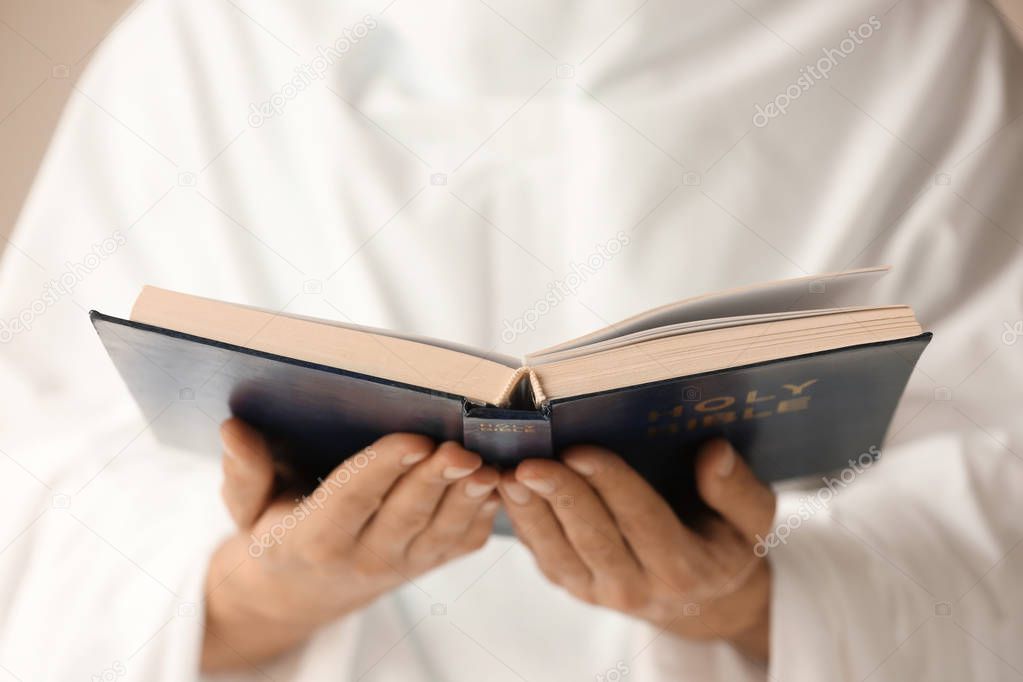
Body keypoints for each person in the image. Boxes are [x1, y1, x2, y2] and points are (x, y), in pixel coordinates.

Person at [0, 0, 1020, 679]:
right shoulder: (200, 44)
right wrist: (256, 590)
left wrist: (758, 603)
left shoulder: (909, 40)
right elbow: (35, 490)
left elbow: (1001, 489)